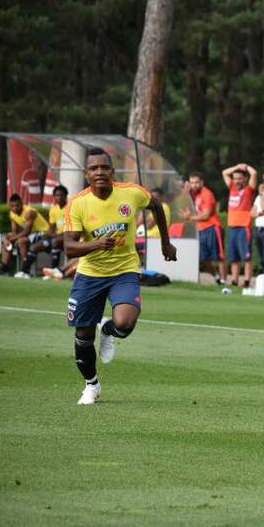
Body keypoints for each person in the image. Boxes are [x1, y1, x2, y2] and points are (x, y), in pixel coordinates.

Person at [63, 147, 176, 405]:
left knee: (124, 324)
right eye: (94, 168)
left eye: (104, 167)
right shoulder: (78, 204)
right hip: (90, 275)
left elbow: (156, 206)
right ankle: (91, 385)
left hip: (124, 271)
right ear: (86, 173)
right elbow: (69, 247)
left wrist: (165, 244)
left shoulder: (132, 193)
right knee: (83, 336)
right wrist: (96, 244)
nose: (100, 172)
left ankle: (109, 329)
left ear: (112, 171)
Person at [181, 171, 227, 286]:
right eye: (192, 182)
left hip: (212, 228)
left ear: (202, 182)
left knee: (219, 256)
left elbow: (206, 215)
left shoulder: (207, 194)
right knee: (203, 258)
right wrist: (185, 193)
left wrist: (190, 218)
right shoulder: (193, 194)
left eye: (196, 182)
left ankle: (224, 281)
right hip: (201, 230)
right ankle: (217, 277)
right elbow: (187, 207)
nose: (194, 185)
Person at [222, 162, 258, 289]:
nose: (237, 181)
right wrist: (236, 167)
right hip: (232, 227)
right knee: (233, 258)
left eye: (240, 178)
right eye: (235, 178)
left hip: (244, 227)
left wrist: (246, 167)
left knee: (246, 257)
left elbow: (254, 173)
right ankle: (234, 281)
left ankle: (247, 281)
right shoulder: (232, 187)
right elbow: (224, 172)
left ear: (245, 179)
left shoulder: (249, 190)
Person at [0, 193, 51, 278]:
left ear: (21, 203)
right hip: (32, 234)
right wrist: (7, 239)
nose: (15, 208)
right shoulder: (12, 214)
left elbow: (26, 232)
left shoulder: (29, 212)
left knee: (21, 241)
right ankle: (4, 270)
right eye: (12, 206)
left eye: (17, 205)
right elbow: (14, 232)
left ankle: (26, 271)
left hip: (43, 233)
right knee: (5, 241)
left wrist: (12, 239)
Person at [41, 185, 69, 278]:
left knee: (55, 241)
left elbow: (72, 229)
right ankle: (24, 272)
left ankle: (54, 270)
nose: (59, 197)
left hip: (70, 236)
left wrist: (56, 235)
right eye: (57, 195)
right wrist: (46, 235)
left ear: (66, 196)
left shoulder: (70, 207)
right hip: (59, 236)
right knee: (36, 246)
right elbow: (52, 228)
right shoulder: (53, 209)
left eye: (61, 195)